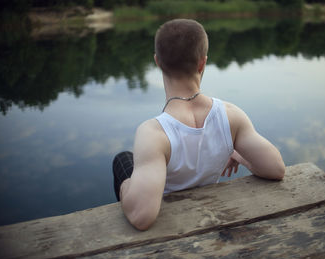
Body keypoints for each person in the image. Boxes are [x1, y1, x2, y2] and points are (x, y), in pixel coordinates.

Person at [113, 19, 285, 231]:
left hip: (174, 232)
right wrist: (237, 151)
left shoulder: (154, 133)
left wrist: (125, 185)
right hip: (210, 217)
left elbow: (141, 216)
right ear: (202, 63)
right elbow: (276, 168)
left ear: (157, 62)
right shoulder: (231, 116)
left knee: (122, 159)